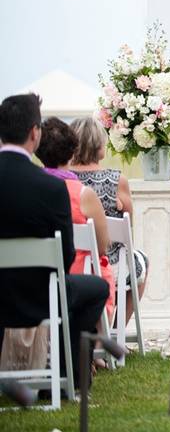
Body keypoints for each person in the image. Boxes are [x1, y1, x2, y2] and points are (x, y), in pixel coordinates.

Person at [0, 94, 109, 391]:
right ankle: (65, 372)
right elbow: (65, 255)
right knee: (97, 288)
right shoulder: (51, 187)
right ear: (34, 133)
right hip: (39, 299)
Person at [35, 117, 117, 325]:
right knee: (102, 275)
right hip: (78, 273)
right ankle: (95, 342)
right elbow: (102, 245)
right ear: (72, 153)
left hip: (37, 276)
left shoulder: (31, 190)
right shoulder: (82, 194)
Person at [70, 116, 148, 326]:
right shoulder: (117, 180)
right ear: (100, 147)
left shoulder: (62, 178)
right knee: (142, 262)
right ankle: (114, 330)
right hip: (110, 264)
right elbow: (127, 228)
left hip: (71, 261)